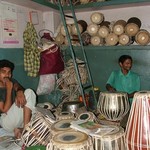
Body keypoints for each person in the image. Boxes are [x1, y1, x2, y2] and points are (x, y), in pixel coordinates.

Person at [0, 59, 36, 139]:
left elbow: (18, 87)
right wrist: (9, 90)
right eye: (3, 72)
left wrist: (19, 92)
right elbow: (5, 110)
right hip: (5, 121)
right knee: (29, 92)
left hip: (16, 119)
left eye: (9, 72)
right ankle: (26, 128)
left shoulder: (11, 81)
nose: (7, 75)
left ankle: (20, 129)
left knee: (29, 95)